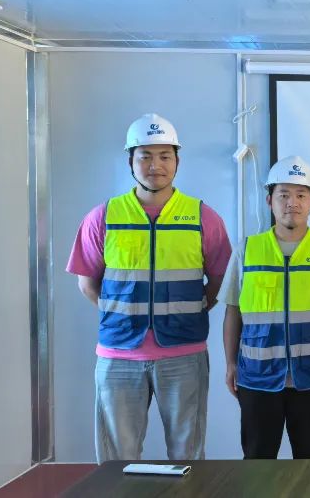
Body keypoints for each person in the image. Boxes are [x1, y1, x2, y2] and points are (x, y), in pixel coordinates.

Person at [66, 113, 231, 462]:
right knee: (117, 459)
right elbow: (87, 283)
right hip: (118, 356)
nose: (155, 165)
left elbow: (219, 282)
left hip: (184, 354)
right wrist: (122, 313)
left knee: (187, 457)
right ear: (130, 161)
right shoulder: (103, 217)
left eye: (165, 156)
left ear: (177, 161)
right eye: (145, 156)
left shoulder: (204, 218)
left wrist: (184, 312)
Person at [222, 155, 310, 459]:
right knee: (258, 460)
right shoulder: (247, 251)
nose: (292, 202)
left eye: (301, 195)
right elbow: (232, 311)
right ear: (269, 200)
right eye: (284, 195)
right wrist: (230, 363)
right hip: (257, 377)